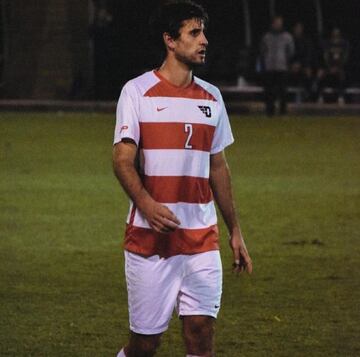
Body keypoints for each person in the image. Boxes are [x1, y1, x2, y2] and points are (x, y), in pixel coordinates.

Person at [112, 1, 252, 356]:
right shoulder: (137, 92)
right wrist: (146, 204)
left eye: (203, 32)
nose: (204, 40)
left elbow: (217, 166)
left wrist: (234, 229)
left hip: (201, 238)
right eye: (194, 32)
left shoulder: (212, 99)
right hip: (150, 240)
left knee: (201, 330)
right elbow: (122, 161)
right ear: (170, 41)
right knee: (145, 343)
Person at [260, 16, 294, 116]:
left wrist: (287, 62)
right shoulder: (267, 37)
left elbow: (291, 51)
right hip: (269, 68)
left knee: (282, 91)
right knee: (269, 91)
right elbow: (262, 51)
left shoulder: (287, 37)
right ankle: (270, 111)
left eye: (280, 23)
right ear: (272, 24)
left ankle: (283, 111)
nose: (278, 25)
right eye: (276, 23)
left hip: (282, 68)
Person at [315, 27, 349, 104]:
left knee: (342, 75)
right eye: (334, 33)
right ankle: (320, 96)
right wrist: (329, 68)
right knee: (320, 74)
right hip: (328, 67)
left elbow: (345, 58)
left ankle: (341, 96)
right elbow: (325, 57)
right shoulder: (327, 43)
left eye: (337, 33)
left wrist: (338, 67)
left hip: (339, 67)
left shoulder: (344, 43)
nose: (335, 34)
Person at [289, 22, 314, 101]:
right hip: (289, 66)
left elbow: (308, 55)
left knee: (307, 73)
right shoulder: (289, 40)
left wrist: (302, 65)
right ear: (293, 29)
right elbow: (286, 55)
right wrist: (291, 64)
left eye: (300, 28)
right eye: (297, 28)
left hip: (302, 66)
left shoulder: (306, 41)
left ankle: (307, 96)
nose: (298, 30)